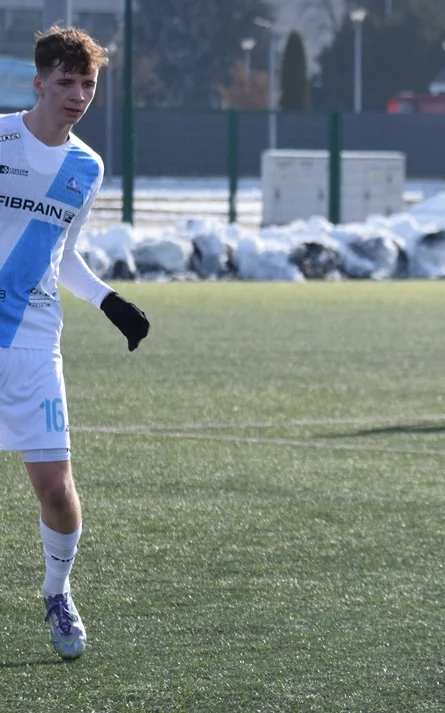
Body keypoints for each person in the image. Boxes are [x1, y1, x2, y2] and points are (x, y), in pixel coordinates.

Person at [1, 26, 150, 660]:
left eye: (88, 84)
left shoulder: (87, 167)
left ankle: (57, 592)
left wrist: (109, 301)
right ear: (39, 82)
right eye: (66, 82)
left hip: (35, 341)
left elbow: (62, 254)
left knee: (57, 489)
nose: (79, 95)